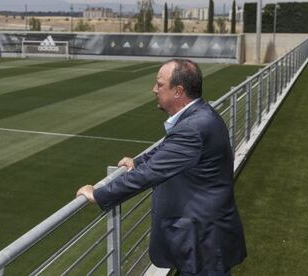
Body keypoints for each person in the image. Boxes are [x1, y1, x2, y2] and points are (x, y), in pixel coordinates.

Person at [77, 59, 246, 275]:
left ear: (178, 91)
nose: (154, 89)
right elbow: (167, 150)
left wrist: (98, 195)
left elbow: (149, 174)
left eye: (159, 84)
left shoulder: (193, 127)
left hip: (204, 240)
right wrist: (137, 162)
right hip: (205, 235)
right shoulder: (199, 116)